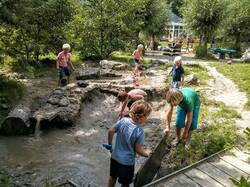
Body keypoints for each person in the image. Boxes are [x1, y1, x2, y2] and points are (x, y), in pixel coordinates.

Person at [105, 100, 152, 187]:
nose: (147, 118)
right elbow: (138, 150)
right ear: (142, 117)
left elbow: (111, 131)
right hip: (126, 163)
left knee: (112, 177)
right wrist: (147, 154)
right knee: (125, 183)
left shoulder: (123, 120)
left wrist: (110, 146)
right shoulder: (140, 131)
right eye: (147, 116)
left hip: (115, 157)